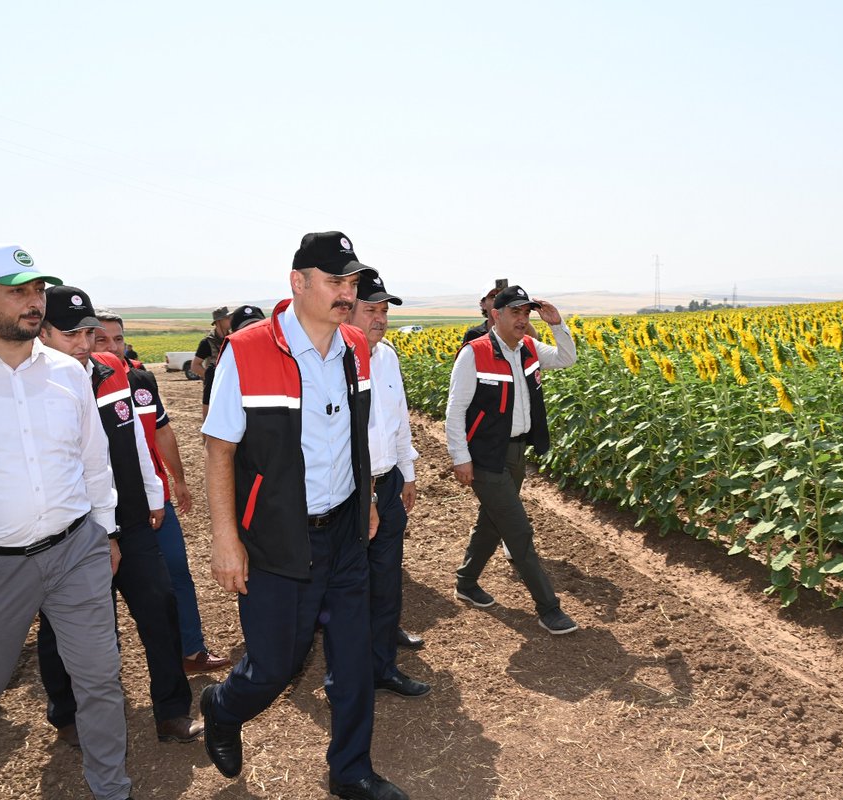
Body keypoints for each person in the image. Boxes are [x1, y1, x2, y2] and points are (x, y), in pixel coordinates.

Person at [0, 244, 132, 800]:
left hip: (75, 550)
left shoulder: (67, 372)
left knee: (100, 678)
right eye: (17, 292)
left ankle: (112, 787)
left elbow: (93, 459)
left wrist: (105, 530)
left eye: (37, 290)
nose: (34, 302)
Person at [201, 231, 408, 800]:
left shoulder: (355, 347)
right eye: (335, 281)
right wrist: (225, 539)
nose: (348, 293)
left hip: (345, 531)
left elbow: (356, 434)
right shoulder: (246, 350)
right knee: (275, 666)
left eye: (352, 282)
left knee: (353, 656)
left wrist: (366, 497)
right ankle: (223, 705)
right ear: (298, 281)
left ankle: (351, 770)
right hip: (277, 538)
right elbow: (219, 449)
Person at [36, 285, 203, 748]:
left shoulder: (111, 371)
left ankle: (172, 712)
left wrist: (154, 495)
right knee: (66, 627)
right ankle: (68, 714)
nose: (84, 344)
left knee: (160, 610)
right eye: (71, 335)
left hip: (130, 521)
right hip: (71, 531)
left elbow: (136, 441)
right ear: (43, 333)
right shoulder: (32, 385)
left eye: (89, 332)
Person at [92, 308, 231, 675]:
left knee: (176, 573)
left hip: (153, 500)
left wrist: (178, 480)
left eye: (118, 339)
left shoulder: (141, 379)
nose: (112, 347)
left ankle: (191, 651)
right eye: (101, 339)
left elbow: (161, 431)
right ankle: (105, 672)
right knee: (101, 593)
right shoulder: (75, 385)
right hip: (98, 509)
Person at [447, 285, 579, 635]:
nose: (522, 319)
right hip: (485, 455)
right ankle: (549, 608)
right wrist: (460, 458)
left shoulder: (529, 347)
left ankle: (466, 583)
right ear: (496, 315)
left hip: (516, 452)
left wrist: (556, 324)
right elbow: (455, 410)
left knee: (492, 522)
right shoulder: (474, 353)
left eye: (526, 313)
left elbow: (567, 358)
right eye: (515, 312)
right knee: (518, 530)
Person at [348, 275, 429, 697]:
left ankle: (382, 665)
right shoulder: (335, 359)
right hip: (349, 489)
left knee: (387, 576)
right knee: (349, 582)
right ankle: (349, 669)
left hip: (389, 481)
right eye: (371, 310)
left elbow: (399, 419)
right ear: (347, 309)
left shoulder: (388, 356)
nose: (380, 319)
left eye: (384, 311)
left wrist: (407, 473)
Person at [193, 306, 231, 420]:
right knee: (210, 419)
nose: (230, 319)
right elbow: (195, 366)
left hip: (231, 387)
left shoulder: (233, 339)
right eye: (227, 318)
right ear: (219, 321)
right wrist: (211, 377)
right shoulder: (207, 342)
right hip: (213, 388)